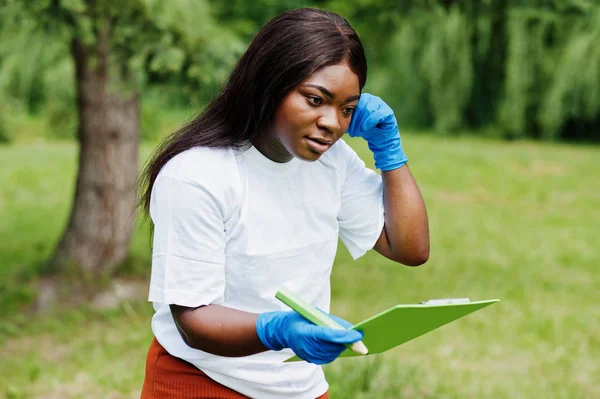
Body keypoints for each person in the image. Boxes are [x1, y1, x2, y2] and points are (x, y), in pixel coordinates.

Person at [137, 7, 429, 399]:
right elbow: (193, 318)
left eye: (346, 108)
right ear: (268, 83)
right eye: (315, 99)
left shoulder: (334, 162)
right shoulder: (196, 176)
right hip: (201, 383)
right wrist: (278, 330)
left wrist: (389, 151)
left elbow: (409, 247)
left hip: (299, 386)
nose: (332, 123)